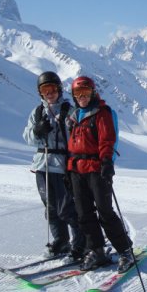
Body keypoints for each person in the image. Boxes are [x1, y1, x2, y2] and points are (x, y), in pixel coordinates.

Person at [66, 76, 134, 273]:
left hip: (96, 168)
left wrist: (107, 163)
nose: (82, 97)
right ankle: (96, 250)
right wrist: (68, 169)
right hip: (77, 169)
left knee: (105, 212)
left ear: (93, 92)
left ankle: (125, 251)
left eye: (85, 93)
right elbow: (72, 145)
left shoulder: (102, 113)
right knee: (84, 213)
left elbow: (107, 140)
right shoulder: (74, 115)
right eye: (78, 94)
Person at [23, 71, 84, 257]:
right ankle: (61, 241)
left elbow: (79, 137)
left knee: (67, 207)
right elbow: (27, 138)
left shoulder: (69, 111)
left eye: (52, 88)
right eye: (44, 89)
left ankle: (80, 244)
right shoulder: (37, 112)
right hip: (42, 165)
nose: (49, 93)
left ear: (59, 89)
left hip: (62, 166)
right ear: (40, 92)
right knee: (50, 207)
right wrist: (37, 131)